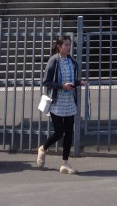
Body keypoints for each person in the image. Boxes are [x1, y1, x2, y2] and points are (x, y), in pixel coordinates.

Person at [37, 35, 84, 174]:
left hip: (69, 101)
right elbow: (47, 82)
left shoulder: (73, 62)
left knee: (69, 132)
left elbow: (72, 80)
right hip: (57, 101)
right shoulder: (53, 61)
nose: (68, 47)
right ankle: (43, 148)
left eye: (69, 45)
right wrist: (62, 86)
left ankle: (65, 163)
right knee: (59, 132)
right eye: (65, 45)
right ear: (59, 47)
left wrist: (78, 83)